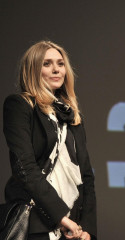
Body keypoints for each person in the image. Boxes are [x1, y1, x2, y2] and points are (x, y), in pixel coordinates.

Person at [2, 41, 97, 240]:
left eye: (60, 64)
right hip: (38, 223)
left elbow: (86, 175)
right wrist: (61, 217)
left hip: (74, 227)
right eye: (47, 64)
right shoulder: (20, 105)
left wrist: (87, 228)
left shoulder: (71, 114)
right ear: (33, 70)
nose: (56, 69)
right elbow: (25, 168)